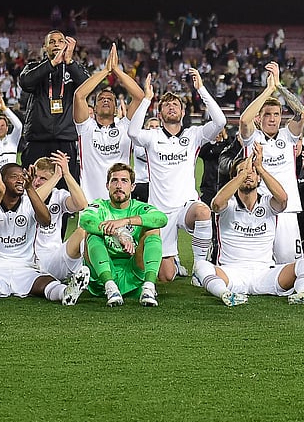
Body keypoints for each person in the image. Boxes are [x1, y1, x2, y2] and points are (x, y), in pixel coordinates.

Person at [129, 68, 225, 281]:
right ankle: (167, 259)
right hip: (160, 211)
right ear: (159, 113)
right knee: (166, 276)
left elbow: (220, 122)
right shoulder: (151, 137)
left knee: (203, 211)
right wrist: (147, 99)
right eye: (166, 105)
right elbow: (132, 132)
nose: (171, 107)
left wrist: (200, 89)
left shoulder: (194, 135)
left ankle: (200, 268)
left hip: (185, 206)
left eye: (176, 105)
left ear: (183, 113)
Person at [190, 149, 304, 306]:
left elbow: (283, 199)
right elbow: (216, 204)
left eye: (252, 172)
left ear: (259, 178)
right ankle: (225, 294)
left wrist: (260, 168)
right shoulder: (228, 203)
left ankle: (303, 294)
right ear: (235, 178)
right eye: (242, 172)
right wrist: (241, 175)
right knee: (201, 266)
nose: (248, 174)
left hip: (265, 273)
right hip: (232, 274)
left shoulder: (267, 203)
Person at [0, 162, 81, 306]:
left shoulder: (29, 202)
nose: (20, 179)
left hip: (25, 267)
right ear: (2, 180)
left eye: (22, 176)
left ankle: (66, 293)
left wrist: (30, 188)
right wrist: (0, 195)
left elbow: (46, 221)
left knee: (47, 282)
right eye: (14, 176)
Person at [63, 162, 167, 307]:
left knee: (152, 229)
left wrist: (125, 221)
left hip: (133, 273)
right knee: (91, 234)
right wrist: (118, 233)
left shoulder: (139, 207)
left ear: (132, 187)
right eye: (114, 180)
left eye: (124, 181)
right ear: (107, 185)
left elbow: (161, 219)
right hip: (102, 278)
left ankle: (149, 288)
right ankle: (110, 287)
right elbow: (85, 221)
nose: (119, 185)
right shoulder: (99, 206)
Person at [238, 62, 304, 263]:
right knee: (257, 263)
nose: (272, 119)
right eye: (267, 114)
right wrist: (268, 89)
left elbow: (302, 113)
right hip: (259, 207)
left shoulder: (288, 136)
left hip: (287, 208)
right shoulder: (253, 138)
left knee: (290, 263)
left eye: (276, 114)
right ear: (259, 119)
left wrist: (278, 86)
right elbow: (244, 120)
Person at [72, 43, 144, 202]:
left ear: (116, 106)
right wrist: (105, 71)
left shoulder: (125, 126)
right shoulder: (85, 127)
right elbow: (79, 96)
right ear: (95, 107)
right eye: (101, 99)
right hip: (90, 205)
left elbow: (139, 96)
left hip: (120, 204)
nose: (105, 101)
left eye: (110, 99)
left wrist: (117, 70)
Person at [19, 29, 88, 171]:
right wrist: (51, 64)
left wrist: (69, 62)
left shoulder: (75, 69)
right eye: (52, 42)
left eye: (60, 41)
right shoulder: (33, 67)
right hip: (37, 139)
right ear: (45, 47)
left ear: (67, 45)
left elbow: (88, 86)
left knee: (66, 186)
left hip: (65, 139)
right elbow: (25, 83)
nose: (56, 44)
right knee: (33, 183)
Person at [30, 151, 89, 282]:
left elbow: (82, 205)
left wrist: (66, 174)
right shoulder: (24, 194)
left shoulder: (58, 195)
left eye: (42, 178)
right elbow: (33, 202)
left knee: (83, 230)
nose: (36, 182)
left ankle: (86, 273)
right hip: (28, 261)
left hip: (54, 257)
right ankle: (71, 281)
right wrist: (56, 177)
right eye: (35, 176)